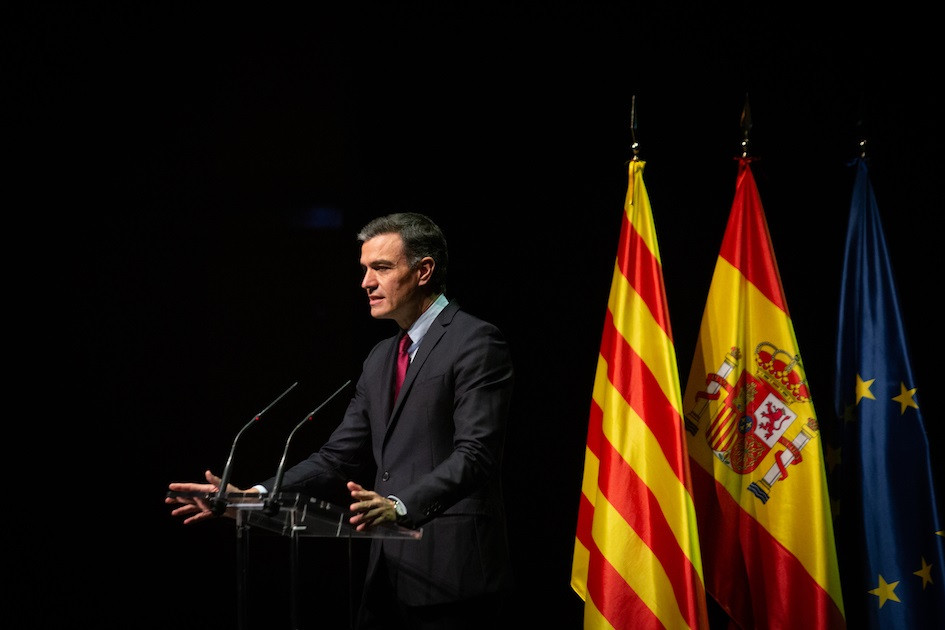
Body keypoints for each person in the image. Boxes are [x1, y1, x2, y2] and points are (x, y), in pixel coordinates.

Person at [166, 212, 515, 630]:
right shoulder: (381, 357)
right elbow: (336, 458)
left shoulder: (475, 341)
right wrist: (253, 497)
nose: (366, 282)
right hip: (385, 581)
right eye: (364, 269)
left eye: (381, 268)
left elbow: (476, 455)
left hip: (453, 577)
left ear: (424, 271)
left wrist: (399, 505)